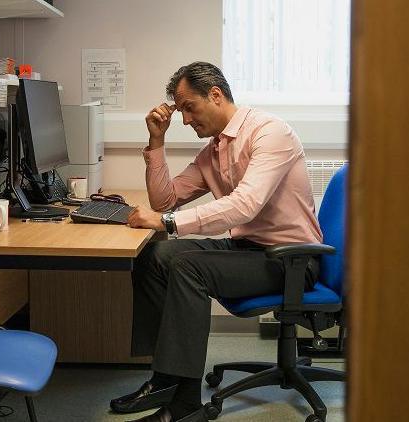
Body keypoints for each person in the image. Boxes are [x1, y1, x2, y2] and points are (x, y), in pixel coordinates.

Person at [110, 62, 322, 422]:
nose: (186, 120)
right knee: (155, 255)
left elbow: (244, 205)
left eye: (189, 108)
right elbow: (166, 200)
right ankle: (164, 379)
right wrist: (157, 142)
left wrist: (167, 222)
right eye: (181, 112)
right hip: (248, 250)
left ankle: (185, 405)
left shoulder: (270, 134)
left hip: (290, 260)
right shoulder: (214, 151)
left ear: (216, 95)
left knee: (187, 265)